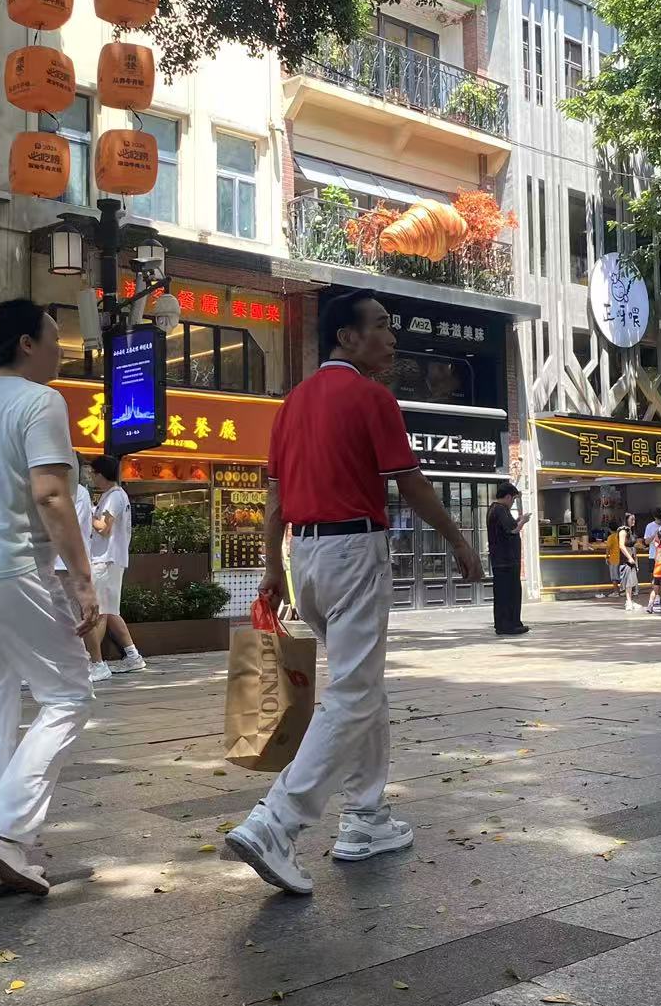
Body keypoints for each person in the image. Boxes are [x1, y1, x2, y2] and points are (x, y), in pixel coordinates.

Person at [223, 290, 482, 895]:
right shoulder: (372, 397)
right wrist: (458, 540)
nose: (392, 339)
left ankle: (367, 817)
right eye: (382, 327)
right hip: (354, 550)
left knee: (362, 686)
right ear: (347, 336)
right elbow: (412, 485)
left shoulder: (291, 404)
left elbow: (275, 499)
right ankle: (276, 822)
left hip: (306, 558)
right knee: (354, 691)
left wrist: (273, 567)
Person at [0, 301, 99, 901]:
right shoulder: (40, 402)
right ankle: (3, 834)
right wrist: (83, 580)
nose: (61, 352)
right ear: (27, 344)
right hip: (11, 574)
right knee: (69, 694)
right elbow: (51, 494)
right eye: (55, 341)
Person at [84, 454, 146, 678]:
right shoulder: (113, 495)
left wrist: (86, 513)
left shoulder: (114, 496)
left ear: (101, 474)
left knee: (100, 611)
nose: (91, 477)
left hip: (106, 559)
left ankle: (96, 663)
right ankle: (132, 656)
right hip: (109, 559)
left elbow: (104, 528)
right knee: (110, 611)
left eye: (93, 473)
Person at [487, 481, 529, 636]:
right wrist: (523, 522)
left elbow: (507, 527)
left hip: (500, 560)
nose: (512, 503)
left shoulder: (494, 509)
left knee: (502, 594)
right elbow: (512, 531)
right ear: (508, 497)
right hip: (507, 560)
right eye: (513, 499)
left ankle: (503, 624)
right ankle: (510, 625)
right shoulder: (500, 509)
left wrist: (518, 521)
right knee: (510, 593)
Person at [610, 513, 640, 611]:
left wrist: (634, 559)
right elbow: (621, 546)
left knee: (632, 580)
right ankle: (628, 601)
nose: (633, 522)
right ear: (626, 520)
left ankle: (630, 600)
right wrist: (629, 557)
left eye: (634, 520)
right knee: (628, 580)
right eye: (632, 520)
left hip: (632, 556)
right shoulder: (623, 531)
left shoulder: (630, 531)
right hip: (626, 558)